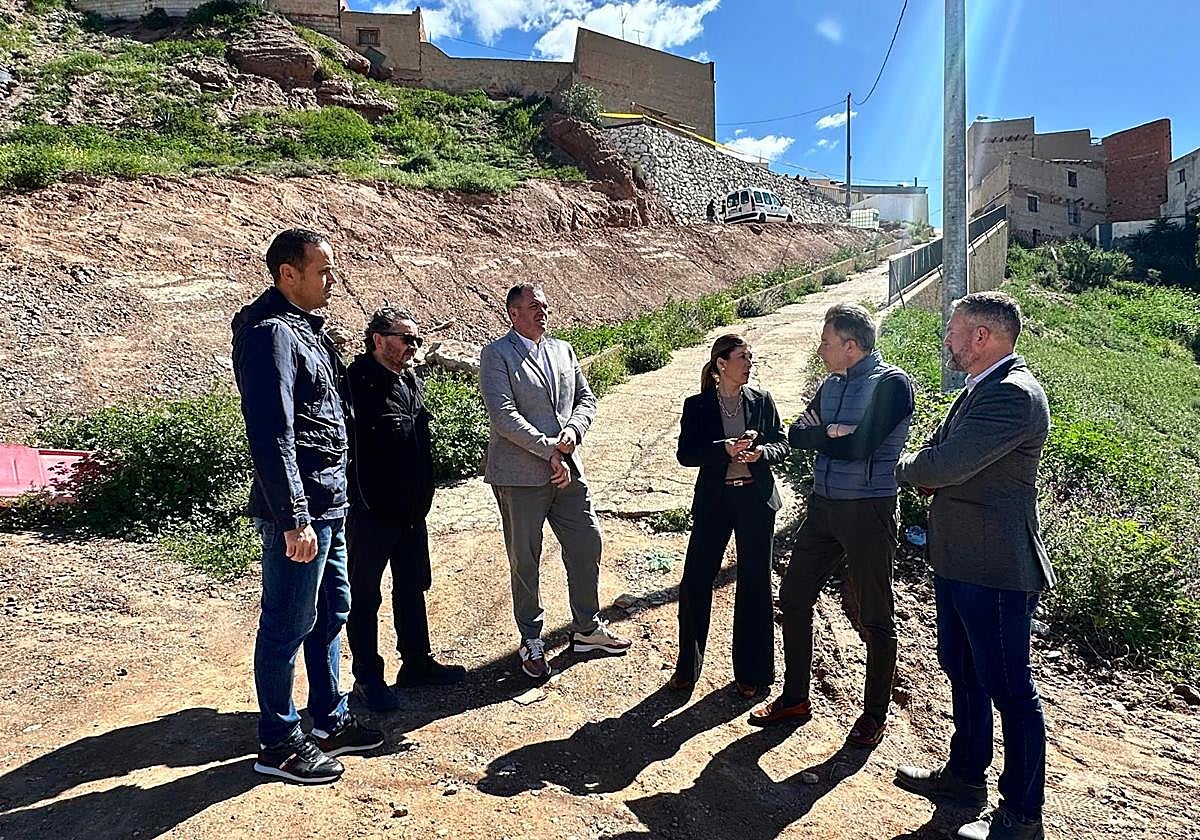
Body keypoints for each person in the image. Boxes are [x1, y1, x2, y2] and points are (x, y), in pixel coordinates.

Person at [893, 291, 1053, 840]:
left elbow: (946, 462)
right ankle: (965, 776)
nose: (948, 340)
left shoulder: (1013, 395)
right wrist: (932, 468)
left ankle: (1021, 815)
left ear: (982, 336)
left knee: (1009, 687)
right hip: (960, 559)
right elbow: (941, 460)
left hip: (995, 568)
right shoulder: (981, 390)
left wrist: (916, 467)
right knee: (963, 671)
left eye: (955, 331)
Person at [231, 228, 383, 785]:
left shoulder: (306, 332)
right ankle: (278, 742)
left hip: (330, 504)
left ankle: (328, 718)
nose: (331, 280)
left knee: (332, 613)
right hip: (301, 511)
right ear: (286, 274)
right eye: (321, 270)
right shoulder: (270, 334)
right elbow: (273, 434)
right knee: (286, 624)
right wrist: (294, 516)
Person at [749, 304, 914, 747]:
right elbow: (798, 436)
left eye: (826, 342)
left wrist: (839, 436)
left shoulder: (893, 385)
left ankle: (873, 715)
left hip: (868, 511)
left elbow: (861, 449)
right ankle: (795, 698)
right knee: (794, 596)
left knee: (875, 614)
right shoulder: (831, 384)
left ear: (850, 346)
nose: (820, 350)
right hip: (824, 508)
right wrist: (834, 432)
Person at [479, 283, 631, 679]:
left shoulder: (562, 350)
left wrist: (574, 433)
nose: (542, 311)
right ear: (513, 313)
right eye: (533, 306)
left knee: (587, 541)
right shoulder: (496, 355)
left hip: (567, 468)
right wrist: (550, 449)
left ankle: (586, 627)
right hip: (521, 476)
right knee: (524, 558)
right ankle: (531, 638)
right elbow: (503, 414)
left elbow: (586, 399)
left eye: (544, 305)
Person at [344, 307, 466, 713]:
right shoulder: (354, 383)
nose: (414, 347)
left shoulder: (409, 379)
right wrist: (361, 501)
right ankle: (368, 679)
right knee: (364, 597)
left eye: (416, 339)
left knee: (413, 587)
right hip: (372, 514)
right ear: (378, 340)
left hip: (412, 513)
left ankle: (416, 663)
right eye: (405, 339)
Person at [670, 333, 789, 698]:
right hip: (715, 502)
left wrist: (761, 453)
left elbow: (781, 443)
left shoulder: (762, 400)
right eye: (743, 358)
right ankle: (687, 668)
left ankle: (751, 672)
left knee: (754, 584)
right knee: (694, 582)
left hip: (755, 501)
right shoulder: (698, 406)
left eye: (750, 358)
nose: (749, 364)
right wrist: (724, 450)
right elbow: (686, 455)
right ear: (722, 364)